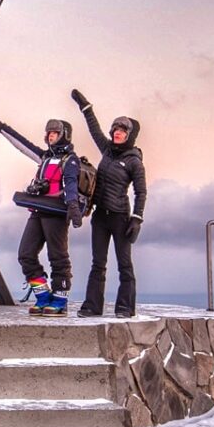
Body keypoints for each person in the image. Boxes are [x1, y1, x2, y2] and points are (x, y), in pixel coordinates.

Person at [0, 113, 85, 317]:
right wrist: (0, 126)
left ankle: (60, 300)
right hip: (37, 210)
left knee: (58, 257)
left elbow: (71, 184)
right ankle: (43, 296)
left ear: (64, 135)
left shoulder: (69, 160)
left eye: (55, 132)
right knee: (26, 254)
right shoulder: (45, 157)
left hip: (56, 213)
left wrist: (73, 207)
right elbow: (21, 144)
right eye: (49, 133)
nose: (50, 136)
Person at [70, 89, 146, 318]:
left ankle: (125, 307)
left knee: (125, 264)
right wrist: (86, 107)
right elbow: (94, 129)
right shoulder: (107, 150)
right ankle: (92, 306)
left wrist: (137, 219)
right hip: (100, 217)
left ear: (130, 135)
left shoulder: (134, 162)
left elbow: (141, 192)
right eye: (115, 129)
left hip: (120, 217)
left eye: (122, 131)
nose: (117, 133)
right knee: (98, 263)